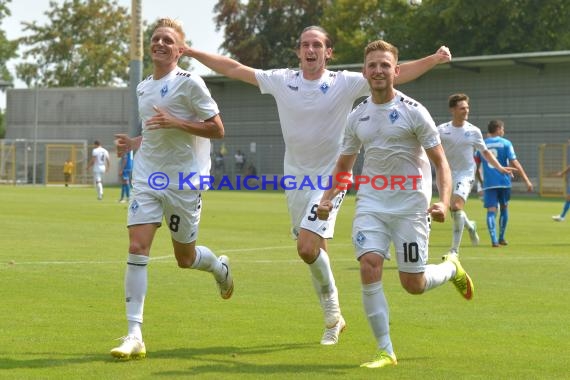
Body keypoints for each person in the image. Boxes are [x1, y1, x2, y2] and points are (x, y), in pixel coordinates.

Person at [183, 26, 452, 345]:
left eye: (317, 45)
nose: (310, 50)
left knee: (307, 246)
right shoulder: (282, 80)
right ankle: (334, 318)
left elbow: (396, 71)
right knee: (314, 252)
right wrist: (193, 53)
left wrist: (434, 59)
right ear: (298, 52)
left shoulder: (345, 82)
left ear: (329, 53)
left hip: (330, 179)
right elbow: (235, 68)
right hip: (296, 179)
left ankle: (333, 315)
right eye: (304, 45)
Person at [317, 40, 474, 369]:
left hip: (410, 208)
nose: (378, 70)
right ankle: (385, 350)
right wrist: (327, 197)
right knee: (369, 264)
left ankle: (450, 269)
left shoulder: (413, 111)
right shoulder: (357, 116)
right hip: (372, 204)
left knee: (412, 284)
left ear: (396, 71)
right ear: (365, 71)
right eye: (372, 65)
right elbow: (344, 167)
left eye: (384, 65)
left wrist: (443, 203)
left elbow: (441, 164)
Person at [111, 18, 233, 360]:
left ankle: (218, 268)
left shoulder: (190, 82)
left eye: (167, 40)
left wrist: (177, 122)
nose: (160, 44)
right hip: (147, 178)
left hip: (183, 181)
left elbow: (217, 129)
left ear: (179, 49)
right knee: (137, 246)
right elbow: (153, 133)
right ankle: (134, 334)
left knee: (185, 258)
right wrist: (134, 143)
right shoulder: (143, 87)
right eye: (156, 39)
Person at [438, 94, 514, 256]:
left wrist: (500, 167)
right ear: (453, 110)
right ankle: (470, 226)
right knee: (453, 210)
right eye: (462, 108)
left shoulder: (473, 131)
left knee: (457, 207)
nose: (466, 110)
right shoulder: (442, 130)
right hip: (446, 174)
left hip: (466, 174)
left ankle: (454, 250)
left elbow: (485, 153)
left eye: (467, 107)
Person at [476, 120, 533, 246]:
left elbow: (476, 165)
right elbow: (515, 162)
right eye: (502, 129)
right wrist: (526, 180)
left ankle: (494, 240)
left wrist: (480, 181)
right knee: (504, 208)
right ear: (498, 129)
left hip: (489, 183)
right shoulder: (506, 143)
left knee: (491, 211)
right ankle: (501, 237)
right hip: (504, 181)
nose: (503, 131)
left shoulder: (482, 145)